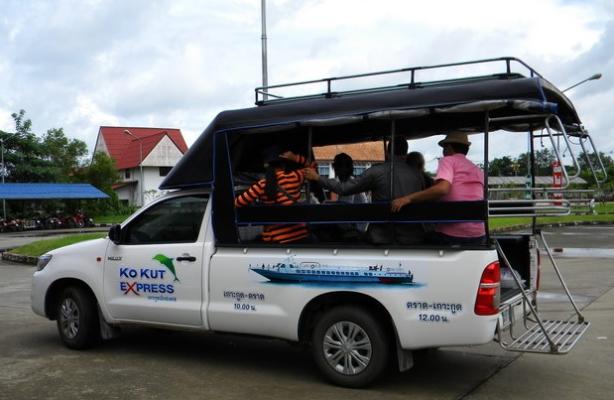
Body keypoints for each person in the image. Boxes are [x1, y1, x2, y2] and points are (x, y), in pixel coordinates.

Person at [304, 136, 424, 244]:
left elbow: (344, 188)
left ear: (387, 153)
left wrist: (317, 177)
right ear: (406, 154)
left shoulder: (376, 172)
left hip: (382, 237)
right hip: (413, 237)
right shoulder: (418, 175)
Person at [391, 133, 486, 245]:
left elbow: (442, 189)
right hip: (479, 235)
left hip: (452, 235)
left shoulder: (448, 160)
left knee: (418, 238)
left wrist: (407, 199)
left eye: (444, 148)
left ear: (449, 147)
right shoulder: (477, 170)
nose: (443, 151)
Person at [234, 146, 313, 244]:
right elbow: (313, 168)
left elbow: (237, 203)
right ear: (283, 164)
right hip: (301, 236)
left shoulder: (262, 185)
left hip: (277, 240)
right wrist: (295, 158)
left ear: (265, 166)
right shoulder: (296, 176)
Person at [331, 153, 368, 236]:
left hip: (354, 230)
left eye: (335, 167)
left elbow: (344, 210)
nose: (335, 170)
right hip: (355, 227)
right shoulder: (351, 182)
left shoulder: (348, 185)